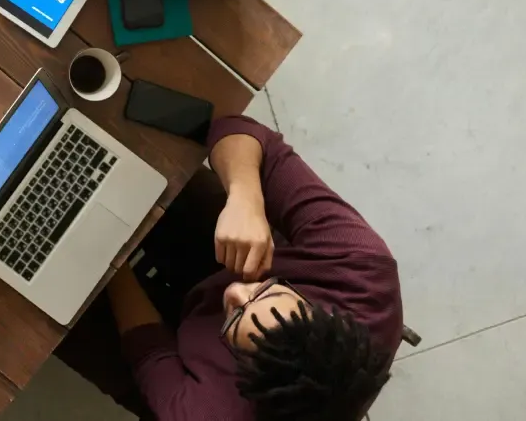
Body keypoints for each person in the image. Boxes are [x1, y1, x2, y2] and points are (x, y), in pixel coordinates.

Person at [54, 116, 402, 421]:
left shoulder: (211, 413)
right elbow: (239, 130)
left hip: (177, 361)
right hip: (234, 257)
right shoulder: (361, 269)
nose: (235, 291)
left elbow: (149, 348)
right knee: (158, 165)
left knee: (55, 311)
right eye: (267, 290)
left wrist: (110, 256)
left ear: (242, 376)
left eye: (236, 317)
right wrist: (245, 197)